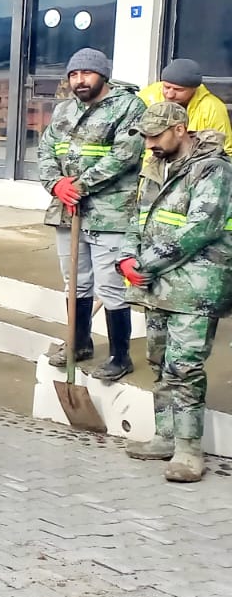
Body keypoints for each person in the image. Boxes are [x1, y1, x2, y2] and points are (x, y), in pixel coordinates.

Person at [117, 102, 232, 483]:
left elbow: (201, 228)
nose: (148, 143)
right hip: (158, 283)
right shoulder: (155, 165)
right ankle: (165, 435)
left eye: (155, 135)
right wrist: (128, 259)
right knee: (159, 360)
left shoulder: (214, 170)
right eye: (145, 136)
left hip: (197, 286)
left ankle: (188, 449)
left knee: (184, 367)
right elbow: (138, 216)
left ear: (180, 129)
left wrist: (144, 264)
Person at [37, 48, 148, 381]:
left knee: (111, 286)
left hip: (110, 213)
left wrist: (80, 186)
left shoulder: (129, 107)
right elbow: (45, 151)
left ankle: (120, 356)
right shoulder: (63, 111)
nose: (79, 80)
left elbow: (124, 155)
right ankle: (80, 342)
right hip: (67, 213)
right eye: (73, 74)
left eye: (86, 73)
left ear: (103, 74)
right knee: (76, 283)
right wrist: (56, 184)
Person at [138, 59, 232, 146]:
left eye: (178, 90)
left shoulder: (212, 108)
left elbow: (225, 149)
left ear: (194, 89)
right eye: (166, 87)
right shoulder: (149, 95)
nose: (170, 94)